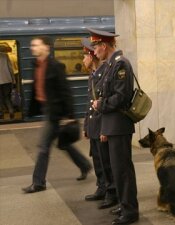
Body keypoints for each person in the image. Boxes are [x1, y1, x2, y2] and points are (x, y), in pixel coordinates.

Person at [22, 36, 92, 194]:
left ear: (46, 47)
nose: (32, 47)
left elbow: (66, 91)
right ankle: (85, 166)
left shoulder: (55, 66)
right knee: (63, 144)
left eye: (36, 45)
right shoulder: (36, 65)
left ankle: (38, 182)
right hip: (48, 110)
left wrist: (71, 116)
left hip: (56, 114)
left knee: (43, 147)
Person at [89, 29, 139, 225]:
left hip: (119, 125)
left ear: (104, 45)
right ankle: (125, 204)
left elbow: (121, 96)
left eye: (95, 47)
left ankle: (130, 211)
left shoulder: (120, 64)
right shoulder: (111, 65)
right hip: (112, 125)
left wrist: (101, 105)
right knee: (118, 170)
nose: (94, 51)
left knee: (123, 170)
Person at [81, 37, 117, 204]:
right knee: (97, 159)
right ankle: (102, 187)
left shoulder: (103, 73)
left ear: (91, 56)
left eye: (85, 56)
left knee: (106, 162)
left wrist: (104, 129)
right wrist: (86, 125)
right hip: (94, 125)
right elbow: (90, 104)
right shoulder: (93, 75)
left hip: (101, 124)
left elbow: (103, 103)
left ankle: (110, 191)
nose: (83, 60)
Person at [0, 45, 15, 119]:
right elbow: (10, 68)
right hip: (7, 80)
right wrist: (13, 80)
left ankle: (1, 113)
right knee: (7, 97)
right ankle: (11, 111)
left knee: (0, 98)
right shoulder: (5, 56)